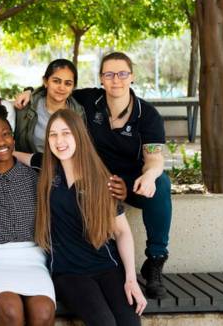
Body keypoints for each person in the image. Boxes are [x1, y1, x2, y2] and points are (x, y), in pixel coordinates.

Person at [15, 52, 172, 298]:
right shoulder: (88, 100)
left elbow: (155, 159)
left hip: (132, 182)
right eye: (109, 74)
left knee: (161, 183)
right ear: (101, 78)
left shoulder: (147, 114)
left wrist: (150, 176)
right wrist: (28, 91)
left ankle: (155, 260)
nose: (116, 80)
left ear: (132, 77)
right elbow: (56, 87)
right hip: (94, 181)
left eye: (122, 74)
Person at [36, 109, 147, 326]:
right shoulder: (45, 170)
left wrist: (131, 279)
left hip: (106, 265)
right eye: (53, 134)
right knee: (104, 323)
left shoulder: (101, 179)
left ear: (78, 135)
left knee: (130, 323)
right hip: (68, 272)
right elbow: (11, 155)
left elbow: (122, 231)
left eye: (66, 133)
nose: (59, 141)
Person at [0, 103, 56, 326]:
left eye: (6, 134)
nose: (1, 142)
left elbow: (70, 172)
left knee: (44, 312)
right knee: (10, 311)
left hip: (33, 259)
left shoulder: (35, 176)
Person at [15, 59, 85, 153]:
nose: (61, 88)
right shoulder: (26, 106)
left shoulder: (78, 113)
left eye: (68, 83)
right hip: (30, 165)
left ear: (73, 87)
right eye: (56, 81)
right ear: (45, 81)